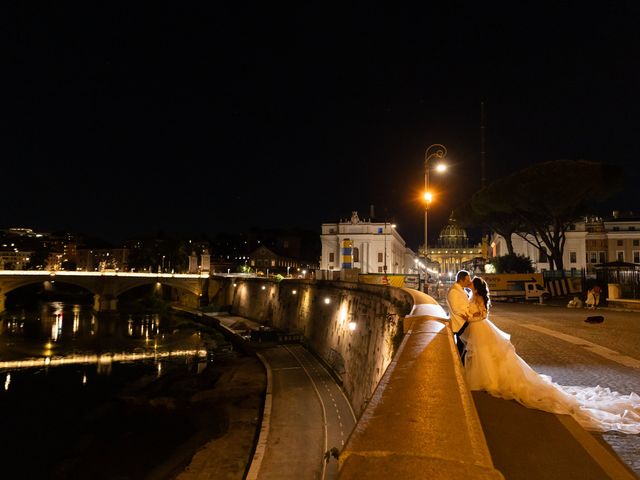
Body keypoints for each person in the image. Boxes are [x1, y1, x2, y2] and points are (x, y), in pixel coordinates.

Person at [464, 276, 640, 434]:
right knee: (487, 356)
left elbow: (483, 314)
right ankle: (489, 379)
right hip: (481, 331)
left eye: (472, 282)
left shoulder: (477, 297)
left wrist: (470, 318)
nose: (470, 283)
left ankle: (489, 380)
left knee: (488, 356)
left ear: (477, 287)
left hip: (481, 329)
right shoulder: (473, 295)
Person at [446, 270, 474, 364]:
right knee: (461, 347)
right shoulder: (454, 291)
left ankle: (460, 364)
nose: (469, 281)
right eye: (467, 280)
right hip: (459, 324)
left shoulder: (461, 289)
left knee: (464, 346)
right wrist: (468, 315)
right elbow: (456, 309)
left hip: (463, 322)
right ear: (461, 280)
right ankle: (458, 365)